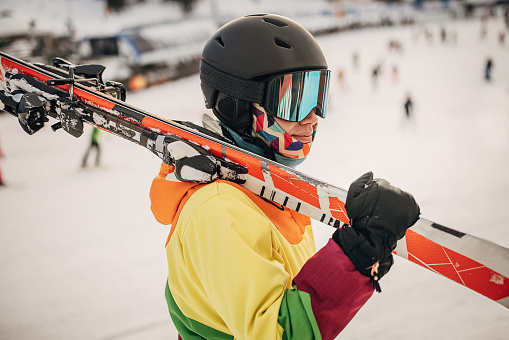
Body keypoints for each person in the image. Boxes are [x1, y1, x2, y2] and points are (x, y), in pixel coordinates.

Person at [150, 14, 420, 340]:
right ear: (238, 106)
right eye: (294, 101)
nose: (312, 118)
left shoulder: (267, 190)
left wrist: (359, 263)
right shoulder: (217, 209)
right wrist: (355, 252)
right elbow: (278, 333)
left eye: (318, 96)